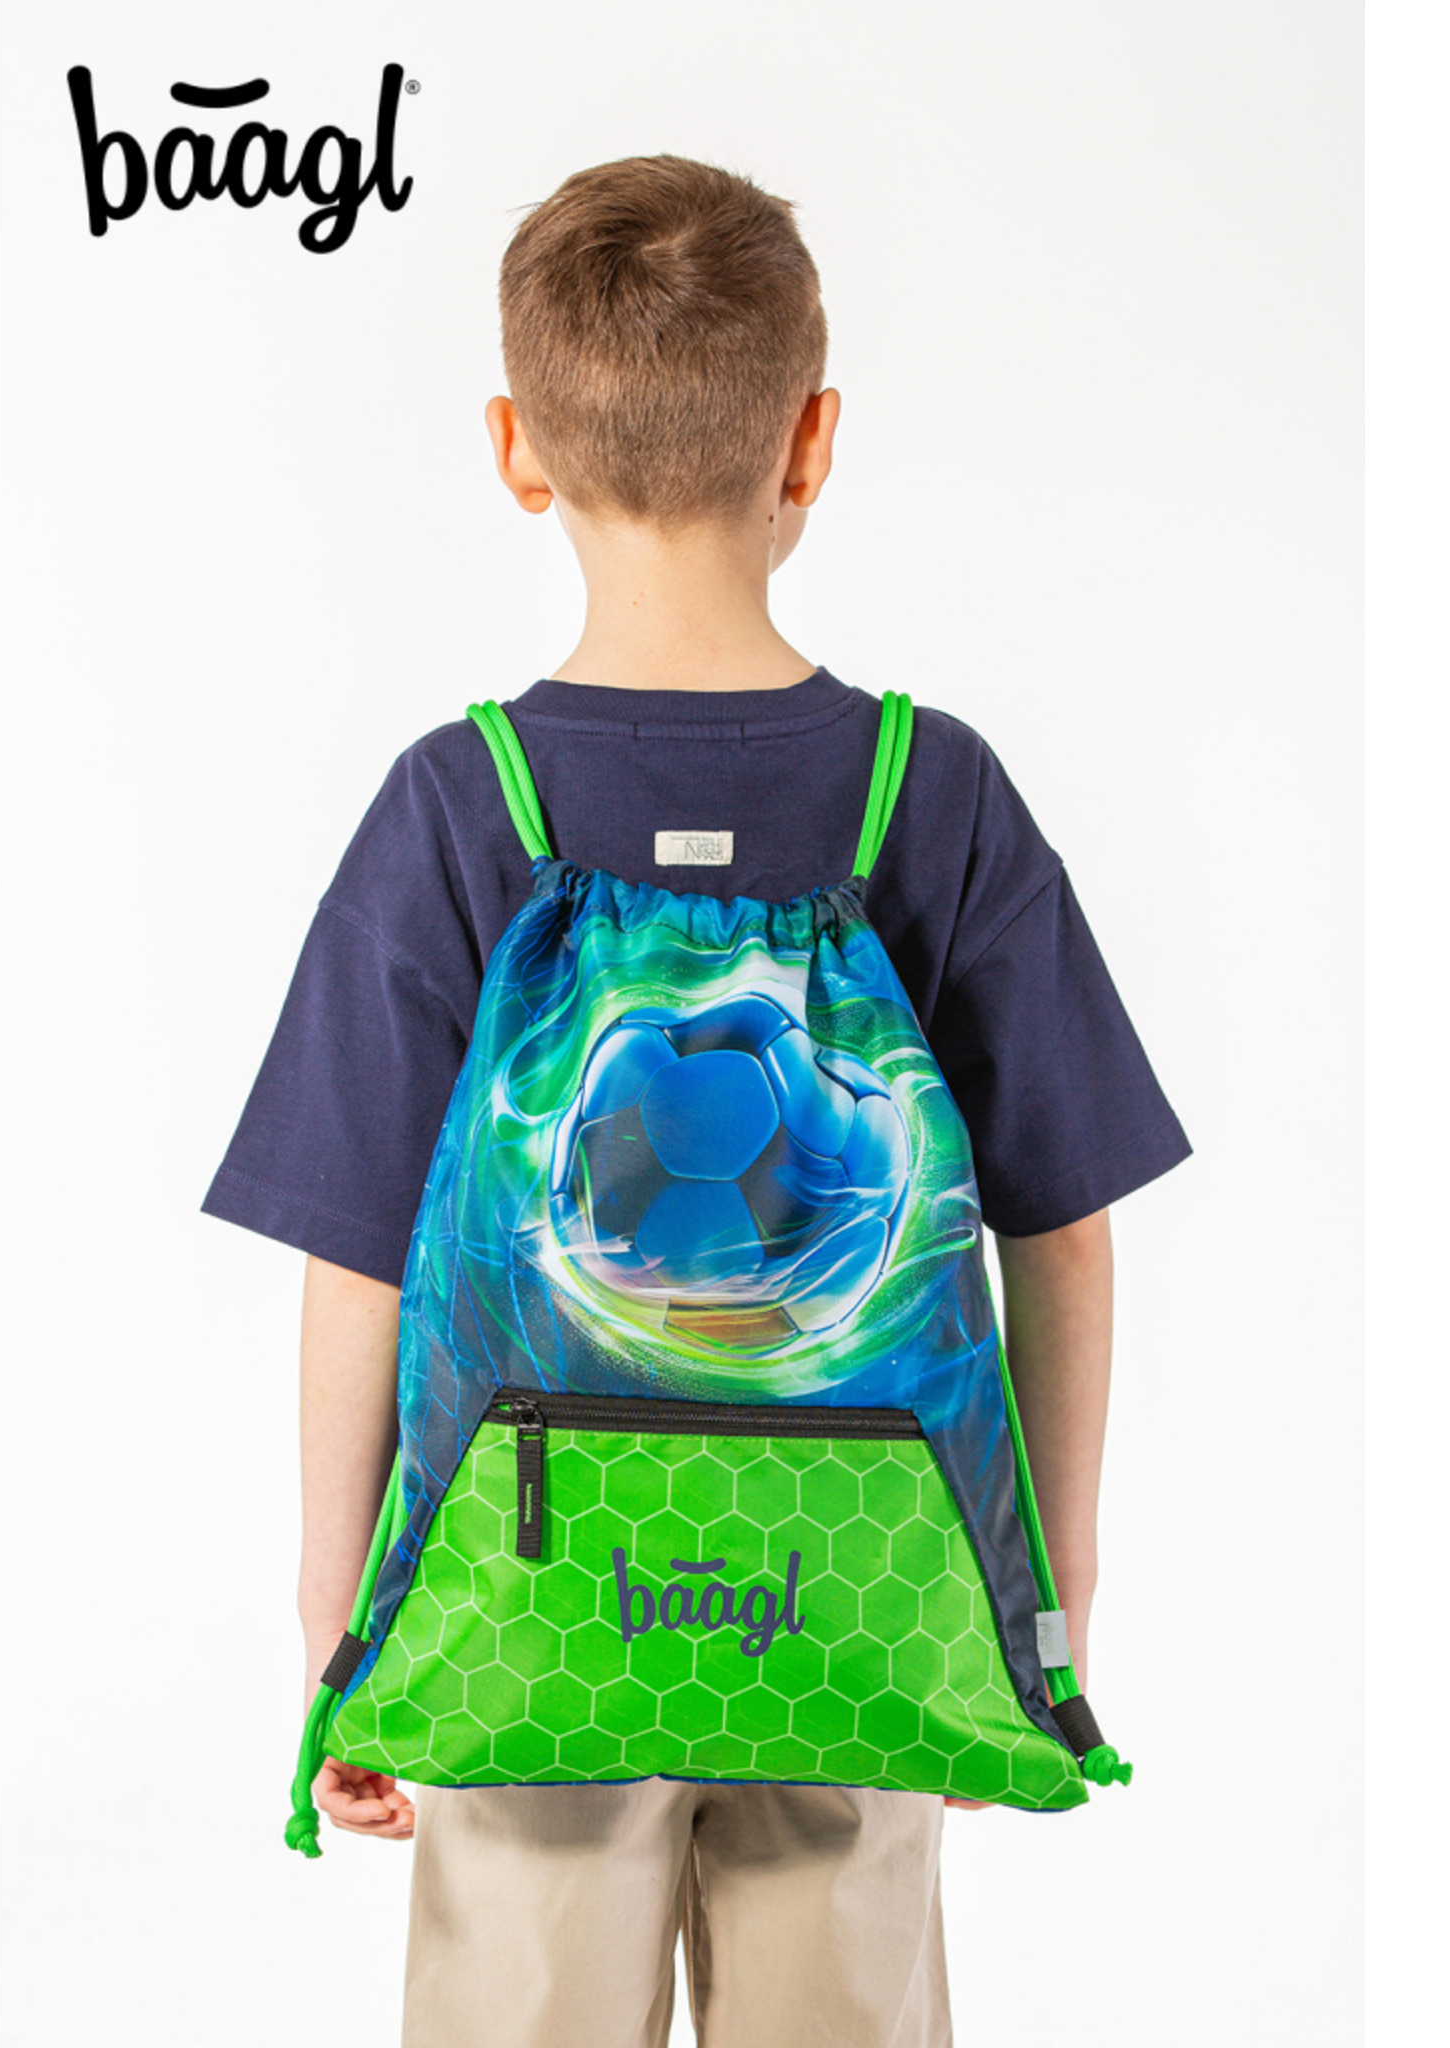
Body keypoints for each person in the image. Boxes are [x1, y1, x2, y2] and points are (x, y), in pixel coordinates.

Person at [203, 153, 1190, 2048]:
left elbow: (358, 1255)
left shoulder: (457, 806)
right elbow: (1064, 1230)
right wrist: (1035, 1615)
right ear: (813, 442)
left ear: (516, 450)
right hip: (867, 1583)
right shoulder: (930, 793)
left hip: (523, 1592)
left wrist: (346, 1627)